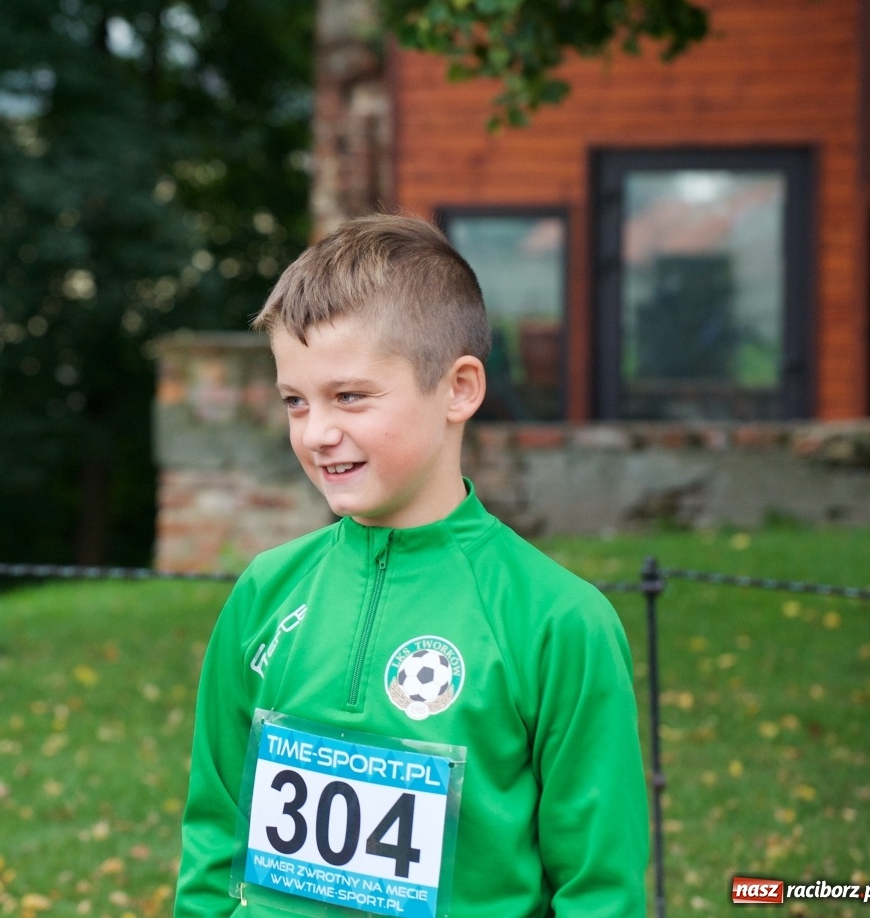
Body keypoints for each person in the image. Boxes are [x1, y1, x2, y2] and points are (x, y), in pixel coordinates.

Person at [174, 214, 648, 918]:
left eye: (350, 396)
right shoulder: (265, 591)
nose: (317, 432)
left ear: (458, 388)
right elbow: (214, 828)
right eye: (295, 401)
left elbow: (599, 889)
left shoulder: (558, 622)